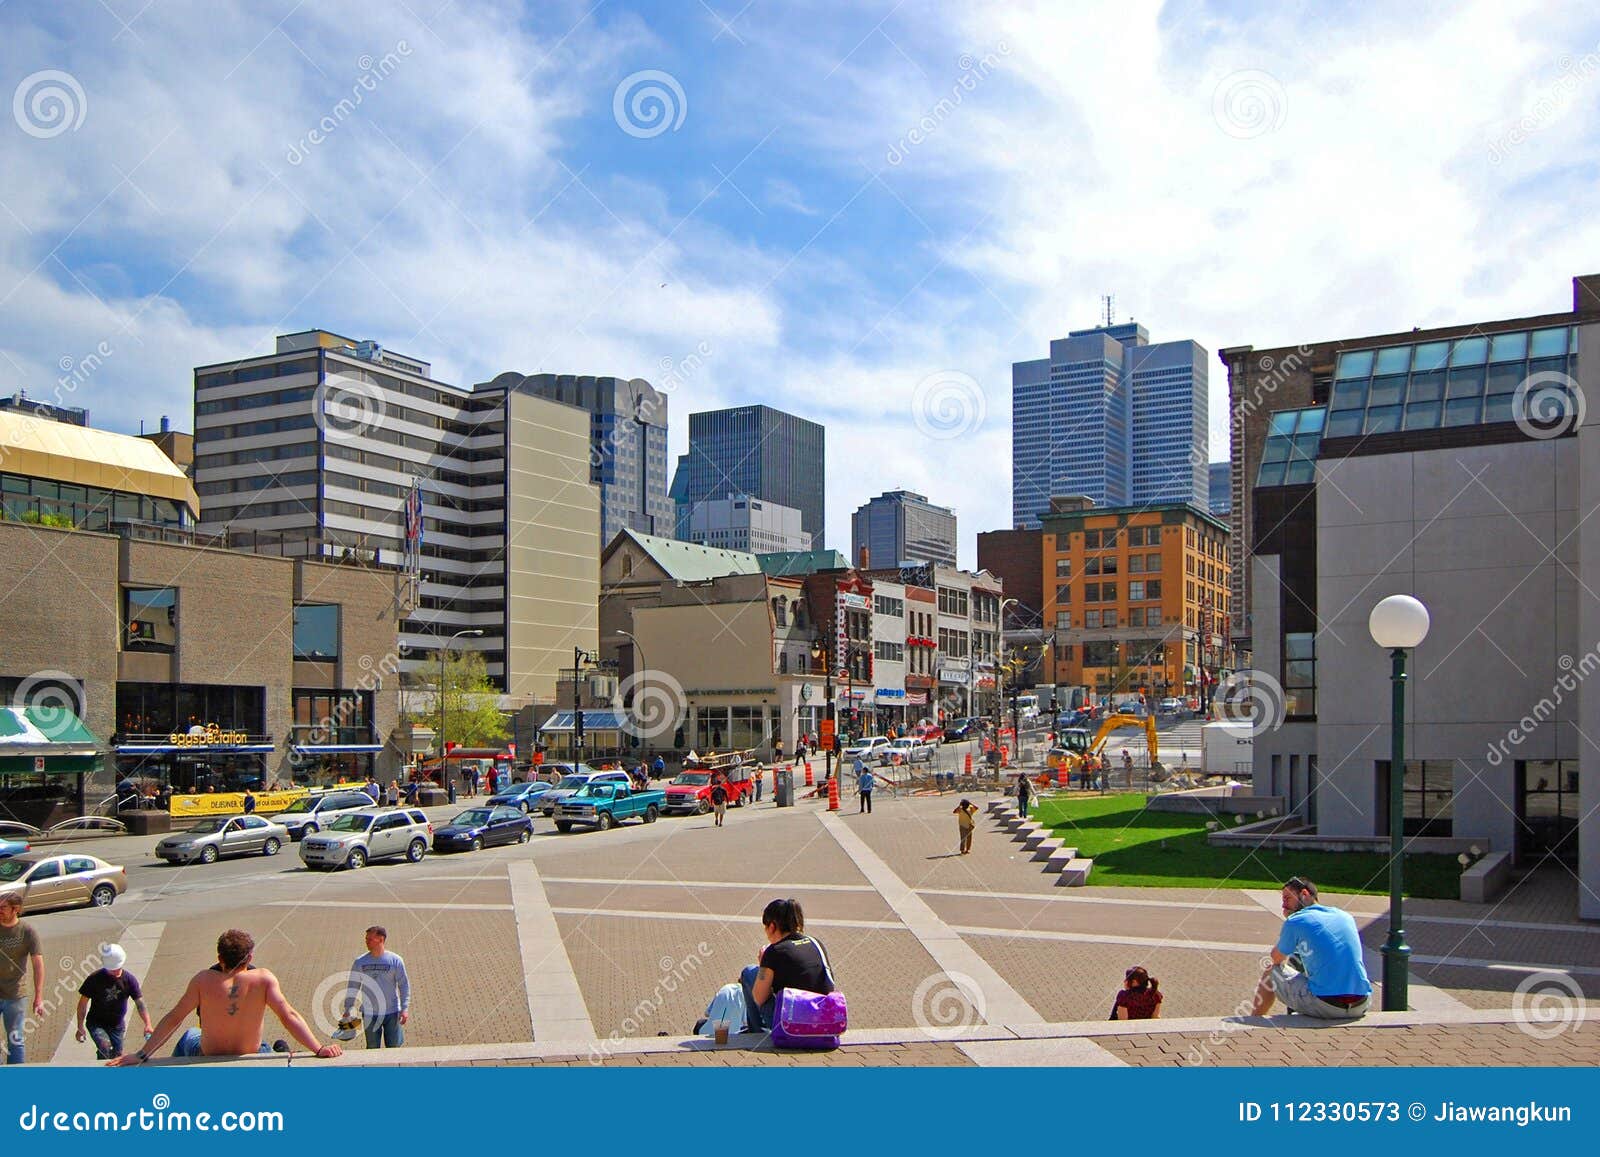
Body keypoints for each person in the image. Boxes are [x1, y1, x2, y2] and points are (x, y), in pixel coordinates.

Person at [110, 929, 340, 1064]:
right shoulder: (264, 979)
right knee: (267, 1045)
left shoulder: (202, 980)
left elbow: (174, 1019)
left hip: (208, 1052)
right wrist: (319, 1048)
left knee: (190, 1033)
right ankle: (282, 1051)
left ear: (219, 957)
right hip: (249, 1052)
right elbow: (288, 1016)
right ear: (249, 958)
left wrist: (141, 1055)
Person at [1251, 877, 1372, 1020]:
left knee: (1272, 970)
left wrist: (1290, 922)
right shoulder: (1344, 916)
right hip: (1361, 1004)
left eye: (1287, 898)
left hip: (1327, 1006)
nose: (1284, 905)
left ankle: (1254, 1020)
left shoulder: (1296, 920)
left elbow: (1276, 958)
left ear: (1304, 894)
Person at [737, 899, 836, 1034]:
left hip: (791, 1022)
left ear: (772, 926)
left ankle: (756, 1033)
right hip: (822, 1017)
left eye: (765, 927)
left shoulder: (774, 951)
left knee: (748, 972)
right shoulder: (816, 943)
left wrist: (763, 965)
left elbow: (758, 998)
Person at [75, 943, 154, 1059]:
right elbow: (82, 1004)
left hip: (117, 1025)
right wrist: (80, 1027)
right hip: (96, 1023)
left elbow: (140, 1004)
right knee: (105, 1047)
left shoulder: (129, 980)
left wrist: (148, 1024)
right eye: (112, 970)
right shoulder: (94, 979)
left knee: (117, 1056)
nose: (116, 972)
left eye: (118, 968)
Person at [345, 926, 410, 1050]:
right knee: (372, 1049)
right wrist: (348, 1008)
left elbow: (404, 985)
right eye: (366, 939)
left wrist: (405, 1008)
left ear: (381, 939)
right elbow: (353, 986)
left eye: (370, 939)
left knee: (394, 1048)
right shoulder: (360, 962)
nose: (367, 941)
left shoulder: (395, 961)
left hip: (392, 1013)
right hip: (370, 1014)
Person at [0, 893, 44, 1065]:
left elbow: (38, 965)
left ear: (15, 909)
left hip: (16, 995)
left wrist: (38, 997)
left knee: (15, 1040)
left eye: (3, 908)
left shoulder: (27, 932)